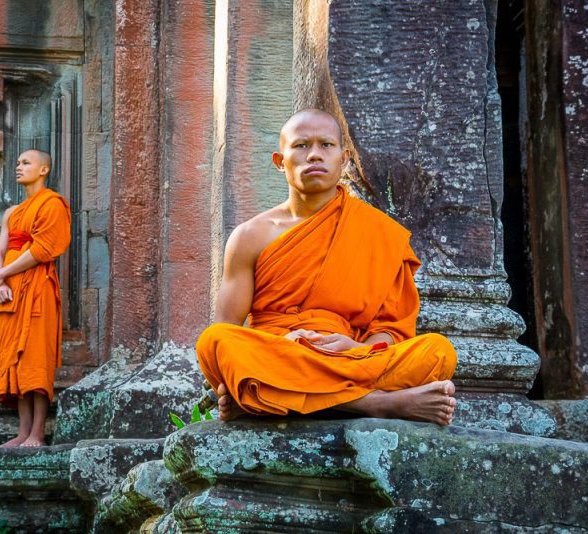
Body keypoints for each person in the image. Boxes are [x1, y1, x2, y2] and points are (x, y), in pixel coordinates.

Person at [196, 109, 458, 425]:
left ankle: (265, 396)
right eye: (302, 146)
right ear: (280, 161)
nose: (315, 155)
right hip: (278, 351)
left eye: (326, 145)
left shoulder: (377, 232)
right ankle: (375, 404)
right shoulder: (249, 236)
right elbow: (228, 327)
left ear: (344, 159)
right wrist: (281, 347)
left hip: (349, 356)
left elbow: (393, 329)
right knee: (215, 341)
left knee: (438, 351)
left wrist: (357, 346)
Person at [0, 149, 71, 447]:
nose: (18, 167)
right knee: (13, 359)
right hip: (9, 292)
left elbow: (42, 250)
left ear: (44, 169)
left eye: (26, 162)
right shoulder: (12, 213)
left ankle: (38, 432)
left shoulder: (53, 204)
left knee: (36, 356)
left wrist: (3, 273)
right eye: (18, 162)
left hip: (38, 289)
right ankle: (22, 432)